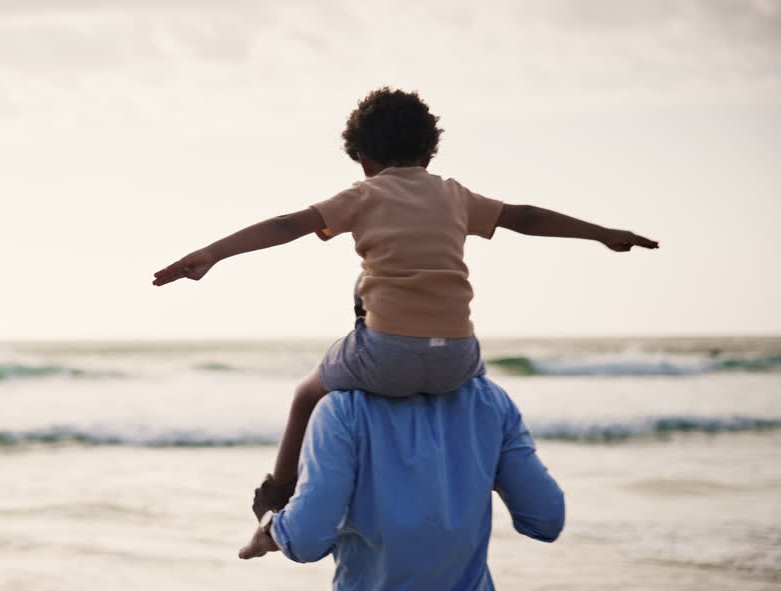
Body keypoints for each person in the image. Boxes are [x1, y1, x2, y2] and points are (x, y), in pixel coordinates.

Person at [150, 87, 655, 559]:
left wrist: (212, 253)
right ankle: (499, 476)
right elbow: (525, 216)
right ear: (430, 154)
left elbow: (288, 226)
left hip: (385, 355)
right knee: (482, 400)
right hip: (460, 357)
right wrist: (602, 233)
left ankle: (273, 512)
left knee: (307, 393)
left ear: (362, 159)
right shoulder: (455, 195)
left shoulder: (363, 196)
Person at [258, 375, 564, 591]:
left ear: (364, 319)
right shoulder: (489, 402)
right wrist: (477, 469)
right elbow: (546, 518)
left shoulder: (341, 409)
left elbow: (305, 540)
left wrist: (271, 528)